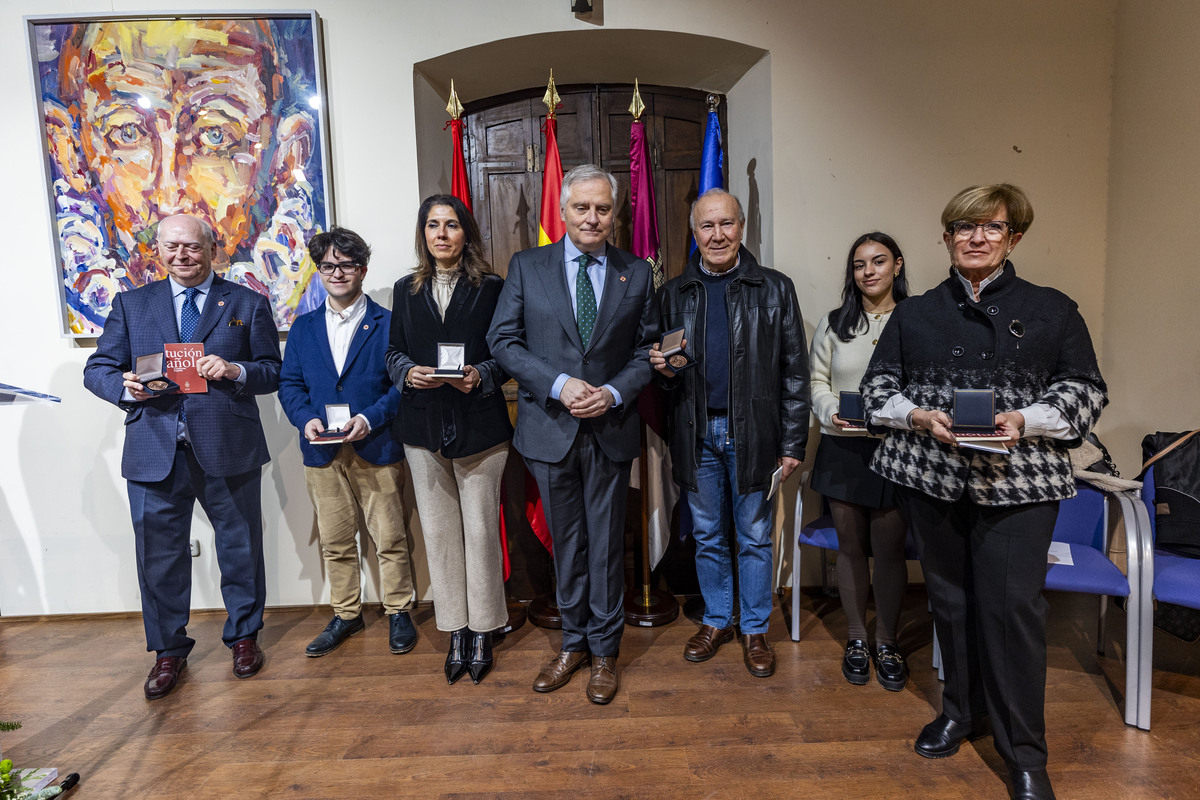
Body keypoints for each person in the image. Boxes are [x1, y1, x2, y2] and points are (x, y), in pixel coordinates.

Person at [861, 184, 1107, 800]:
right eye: (963, 228)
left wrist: (1027, 419)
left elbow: (1086, 391)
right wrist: (918, 414)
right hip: (933, 479)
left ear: (1013, 237)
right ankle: (959, 713)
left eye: (991, 228)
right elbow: (874, 391)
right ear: (946, 238)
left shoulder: (1054, 308)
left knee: (1013, 612)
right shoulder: (913, 313)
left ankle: (1024, 752)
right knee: (949, 603)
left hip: (1019, 483)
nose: (976, 238)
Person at [83, 213, 282, 699]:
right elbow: (98, 368)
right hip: (154, 448)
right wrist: (124, 388)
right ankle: (168, 651)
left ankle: (244, 637)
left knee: (240, 549)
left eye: (191, 247)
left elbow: (273, 370)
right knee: (158, 558)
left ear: (212, 249)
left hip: (227, 446)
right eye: (171, 247)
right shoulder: (133, 305)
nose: (181, 256)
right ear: (158, 252)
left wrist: (235, 369)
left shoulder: (246, 302)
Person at [487, 164, 657, 704]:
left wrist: (609, 393)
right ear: (562, 212)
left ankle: (606, 653)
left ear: (616, 212)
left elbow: (647, 352)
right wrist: (560, 385)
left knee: (607, 545)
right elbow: (503, 341)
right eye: (581, 208)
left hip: (609, 427)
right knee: (568, 544)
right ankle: (574, 642)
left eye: (602, 208)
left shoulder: (638, 272)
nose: (592, 217)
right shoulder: (527, 265)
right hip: (549, 428)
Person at [42, 18, 324, 333]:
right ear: (69, 153)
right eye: (127, 131)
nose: (168, 196)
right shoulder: (88, 313)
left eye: (216, 135)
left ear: (285, 158)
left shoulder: (315, 309)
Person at [650, 188, 809, 679]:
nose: (717, 235)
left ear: (741, 227)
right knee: (708, 536)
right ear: (694, 233)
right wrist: (661, 367)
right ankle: (719, 619)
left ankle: (756, 627)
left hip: (755, 435)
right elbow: (657, 367)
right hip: (695, 433)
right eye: (706, 226)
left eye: (726, 224)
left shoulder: (775, 289)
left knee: (756, 537)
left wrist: (791, 443)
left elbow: (796, 373)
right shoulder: (672, 293)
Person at [386, 195, 512, 685]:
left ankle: (483, 629)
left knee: (480, 533)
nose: (441, 234)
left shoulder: (492, 288)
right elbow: (393, 351)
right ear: (423, 234)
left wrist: (480, 374)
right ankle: (455, 628)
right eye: (433, 225)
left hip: (480, 424)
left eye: (451, 225)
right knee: (439, 535)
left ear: (467, 234)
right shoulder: (405, 289)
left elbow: (506, 352)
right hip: (421, 427)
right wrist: (408, 373)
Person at [278, 227, 417, 659]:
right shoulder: (302, 328)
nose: (337, 273)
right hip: (321, 452)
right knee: (336, 542)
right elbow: (289, 384)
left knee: (390, 538)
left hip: (375, 445)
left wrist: (368, 418)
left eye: (346, 265)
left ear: (363, 269)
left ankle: (398, 611)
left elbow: (401, 386)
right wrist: (305, 421)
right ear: (319, 272)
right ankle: (346, 614)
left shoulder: (390, 323)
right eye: (328, 266)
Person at [808, 232, 911, 690]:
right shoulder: (834, 323)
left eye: (878, 261)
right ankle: (856, 639)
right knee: (850, 548)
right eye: (858, 264)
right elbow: (817, 382)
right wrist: (830, 412)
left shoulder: (917, 320)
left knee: (888, 551)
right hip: (844, 448)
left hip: (896, 451)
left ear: (898, 265)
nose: (868, 271)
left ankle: (886, 642)